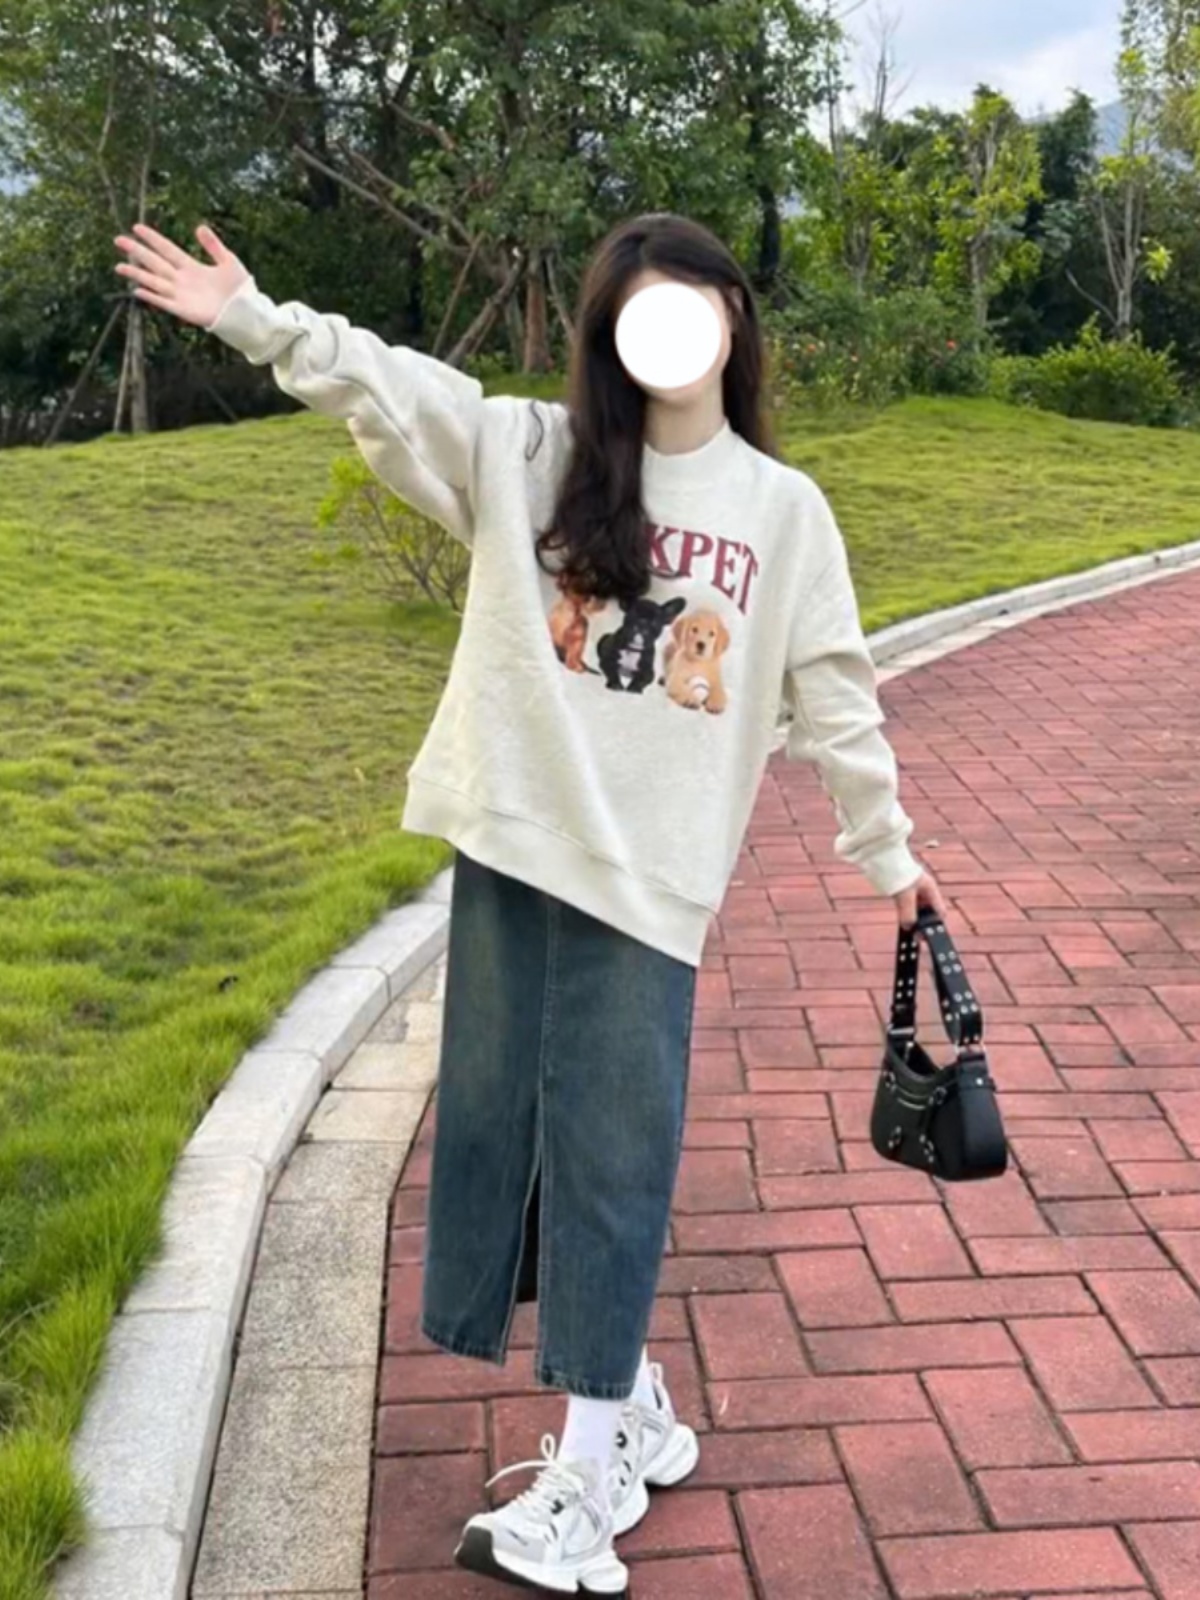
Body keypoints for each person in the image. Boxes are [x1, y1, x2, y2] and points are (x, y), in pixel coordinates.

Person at [114, 210, 947, 1595]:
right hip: (516, 850)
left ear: (733, 324)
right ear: (611, 337)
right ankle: (635, 1408)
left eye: (694, 308)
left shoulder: (783, 512)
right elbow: (393, 387)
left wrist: (889, 852)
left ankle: (592, 1477)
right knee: (530, 1147)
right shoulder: (535, 457)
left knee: (615, 1161)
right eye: (641, 314)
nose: (671, 335)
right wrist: (254, 319)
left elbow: (838, 694)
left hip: (647, 889)